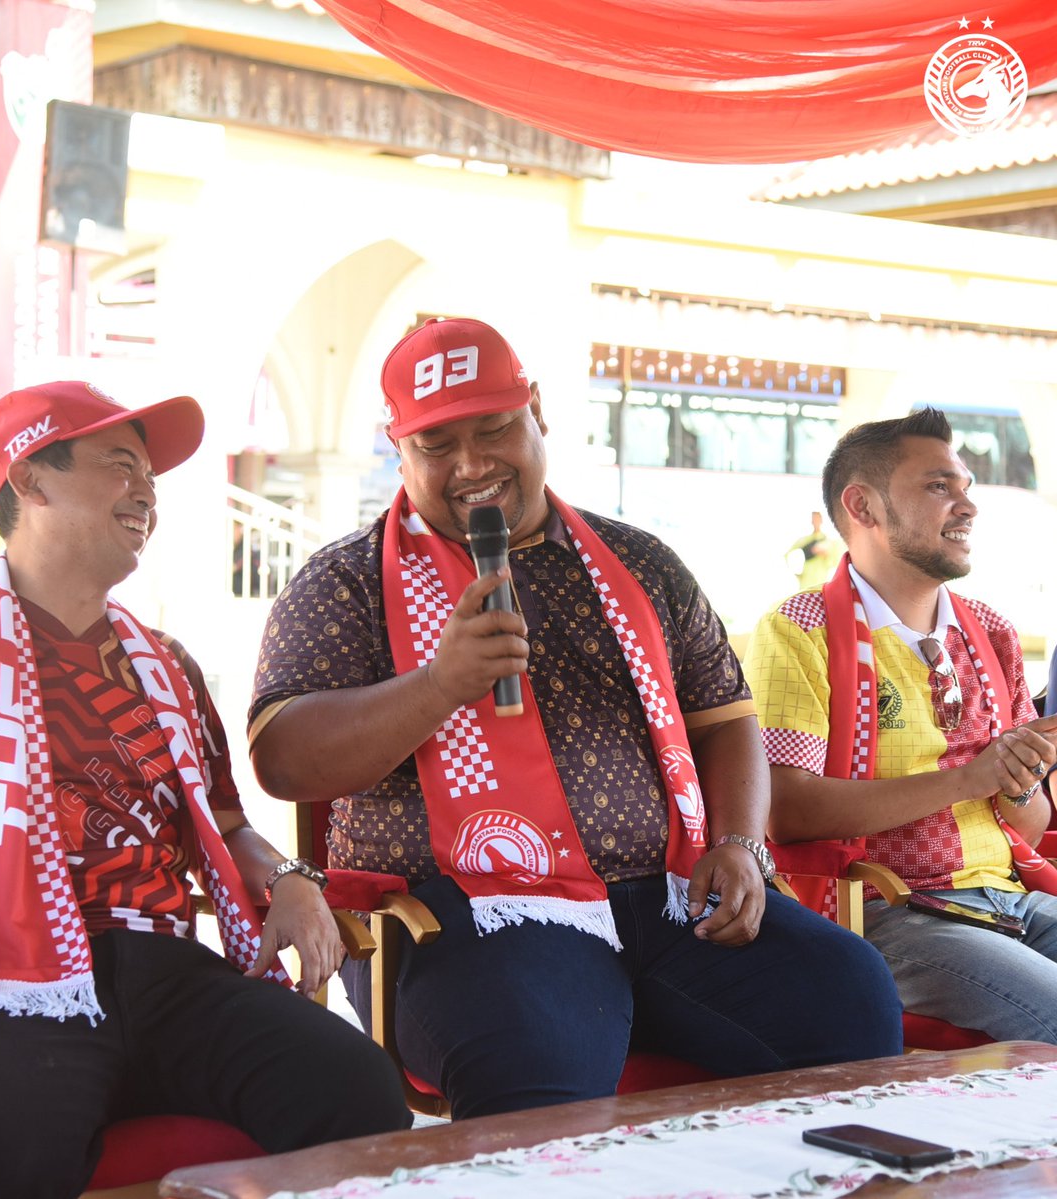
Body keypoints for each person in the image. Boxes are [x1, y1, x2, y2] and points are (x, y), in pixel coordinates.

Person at [248, 317, 902, 1122]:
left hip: (669, 902)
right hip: (471, 915)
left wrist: (737, 842)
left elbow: (726, 719)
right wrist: (440, 683)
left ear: (538, 416)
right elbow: (283, 758)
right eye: (437, 444)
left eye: (493, 429)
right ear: (397, 448)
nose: (472, 465)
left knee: (847, 993)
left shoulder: (640, 562)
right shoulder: (343, 581)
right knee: (536, 1054)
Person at [0, 381, 410, 1199]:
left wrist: (287, 881)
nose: (147, 491)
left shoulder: (167, 665)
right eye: (119, 466)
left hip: (162, 974)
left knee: (356, 1092)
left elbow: (228, 827)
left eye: (148, 473)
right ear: (29, 481)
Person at [745, 406, 1057, 1044]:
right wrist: (972, 777)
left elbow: (1028, 823)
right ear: (862, 507)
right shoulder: (798, 627)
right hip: (890, 914)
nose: (966, 506)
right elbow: (788, 812)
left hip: (1011, 897)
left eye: (966, 488)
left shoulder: (991, 630)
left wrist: (1020, 779)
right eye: (939, 487)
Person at [785, 509, 840, 591]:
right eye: (813, 519)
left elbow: (833, 562)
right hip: (806, 579)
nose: (815, 522)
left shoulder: (827, 541)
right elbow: (787, 554)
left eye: (817, 519)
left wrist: (824, 554)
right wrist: (796, 573)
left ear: (821, 521)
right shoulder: (804, 540)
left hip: (820, 580)